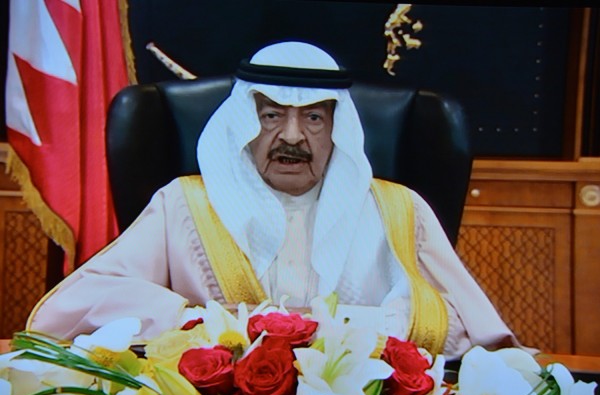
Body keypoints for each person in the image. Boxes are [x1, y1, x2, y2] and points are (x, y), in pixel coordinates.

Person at [28, 41, 521, 359]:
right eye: (271, 116)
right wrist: (199, 322)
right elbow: (70, 308)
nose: (292, 136)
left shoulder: (400, 211)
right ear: (244, 121)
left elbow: (475, 333)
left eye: (314, 118)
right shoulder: (185, 205)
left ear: (338, 127)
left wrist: (349, 330)